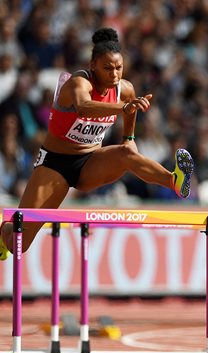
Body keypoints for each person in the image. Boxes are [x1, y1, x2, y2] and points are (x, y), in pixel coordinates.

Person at [0, 27, 194, 260]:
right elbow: (84, 107)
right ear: (93, 66)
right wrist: (123, 108)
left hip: (90, 162)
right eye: (108, 68)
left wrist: (129, 138)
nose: (114, 75)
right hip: (55, 164)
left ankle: (174, 181)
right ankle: (3, 231)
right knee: (19, 243)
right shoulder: (79, 83)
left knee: (125, 154)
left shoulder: (125, 89)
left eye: (119, 68)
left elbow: (131, 109)